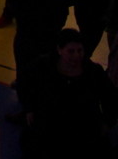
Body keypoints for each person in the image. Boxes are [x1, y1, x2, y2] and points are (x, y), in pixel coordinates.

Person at [17, 28, 118, 156]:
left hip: (84, 128)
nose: (76, 56)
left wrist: (107, 122)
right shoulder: (43, 66)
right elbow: (24, 83)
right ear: (59, 50)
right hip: (49, 125)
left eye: (79, 50)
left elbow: (111, 98)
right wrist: (29, 108)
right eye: (71, 51)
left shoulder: (93, 72)